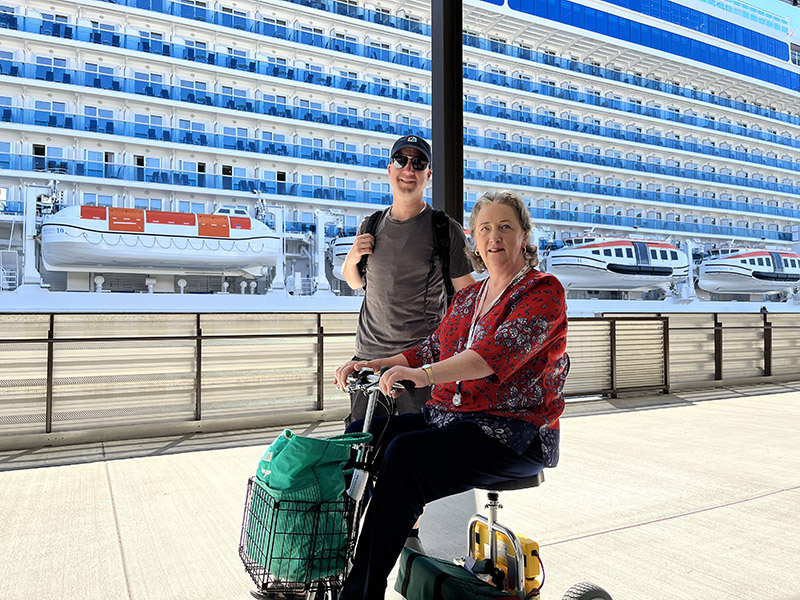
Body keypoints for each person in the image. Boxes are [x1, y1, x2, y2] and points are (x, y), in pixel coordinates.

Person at [335, 190, 569, 600]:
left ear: (525, 236)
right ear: (474, 242)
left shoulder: (542, 291)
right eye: (484, 229)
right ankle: (339, 562)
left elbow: (490, 357)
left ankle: (359, 593)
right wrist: (374, 364)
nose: (494, 237)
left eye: (505, 227)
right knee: (362, 435)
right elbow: (430, 349)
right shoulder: (467, 298)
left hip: (512, 432)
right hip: (454, 419)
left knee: (405, 457)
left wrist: (422, 376)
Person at [336, 134, 474, 423]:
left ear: (428, 174)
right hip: (367, 361)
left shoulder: (444, 229)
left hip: (417, 364)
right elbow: (356, 282)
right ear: (390, 169)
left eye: (418, 162)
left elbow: (468, 298)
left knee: (414, 452)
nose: (409, 169)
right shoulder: (371, 224)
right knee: (363, 450)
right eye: (401, 160)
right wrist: (351, 258)